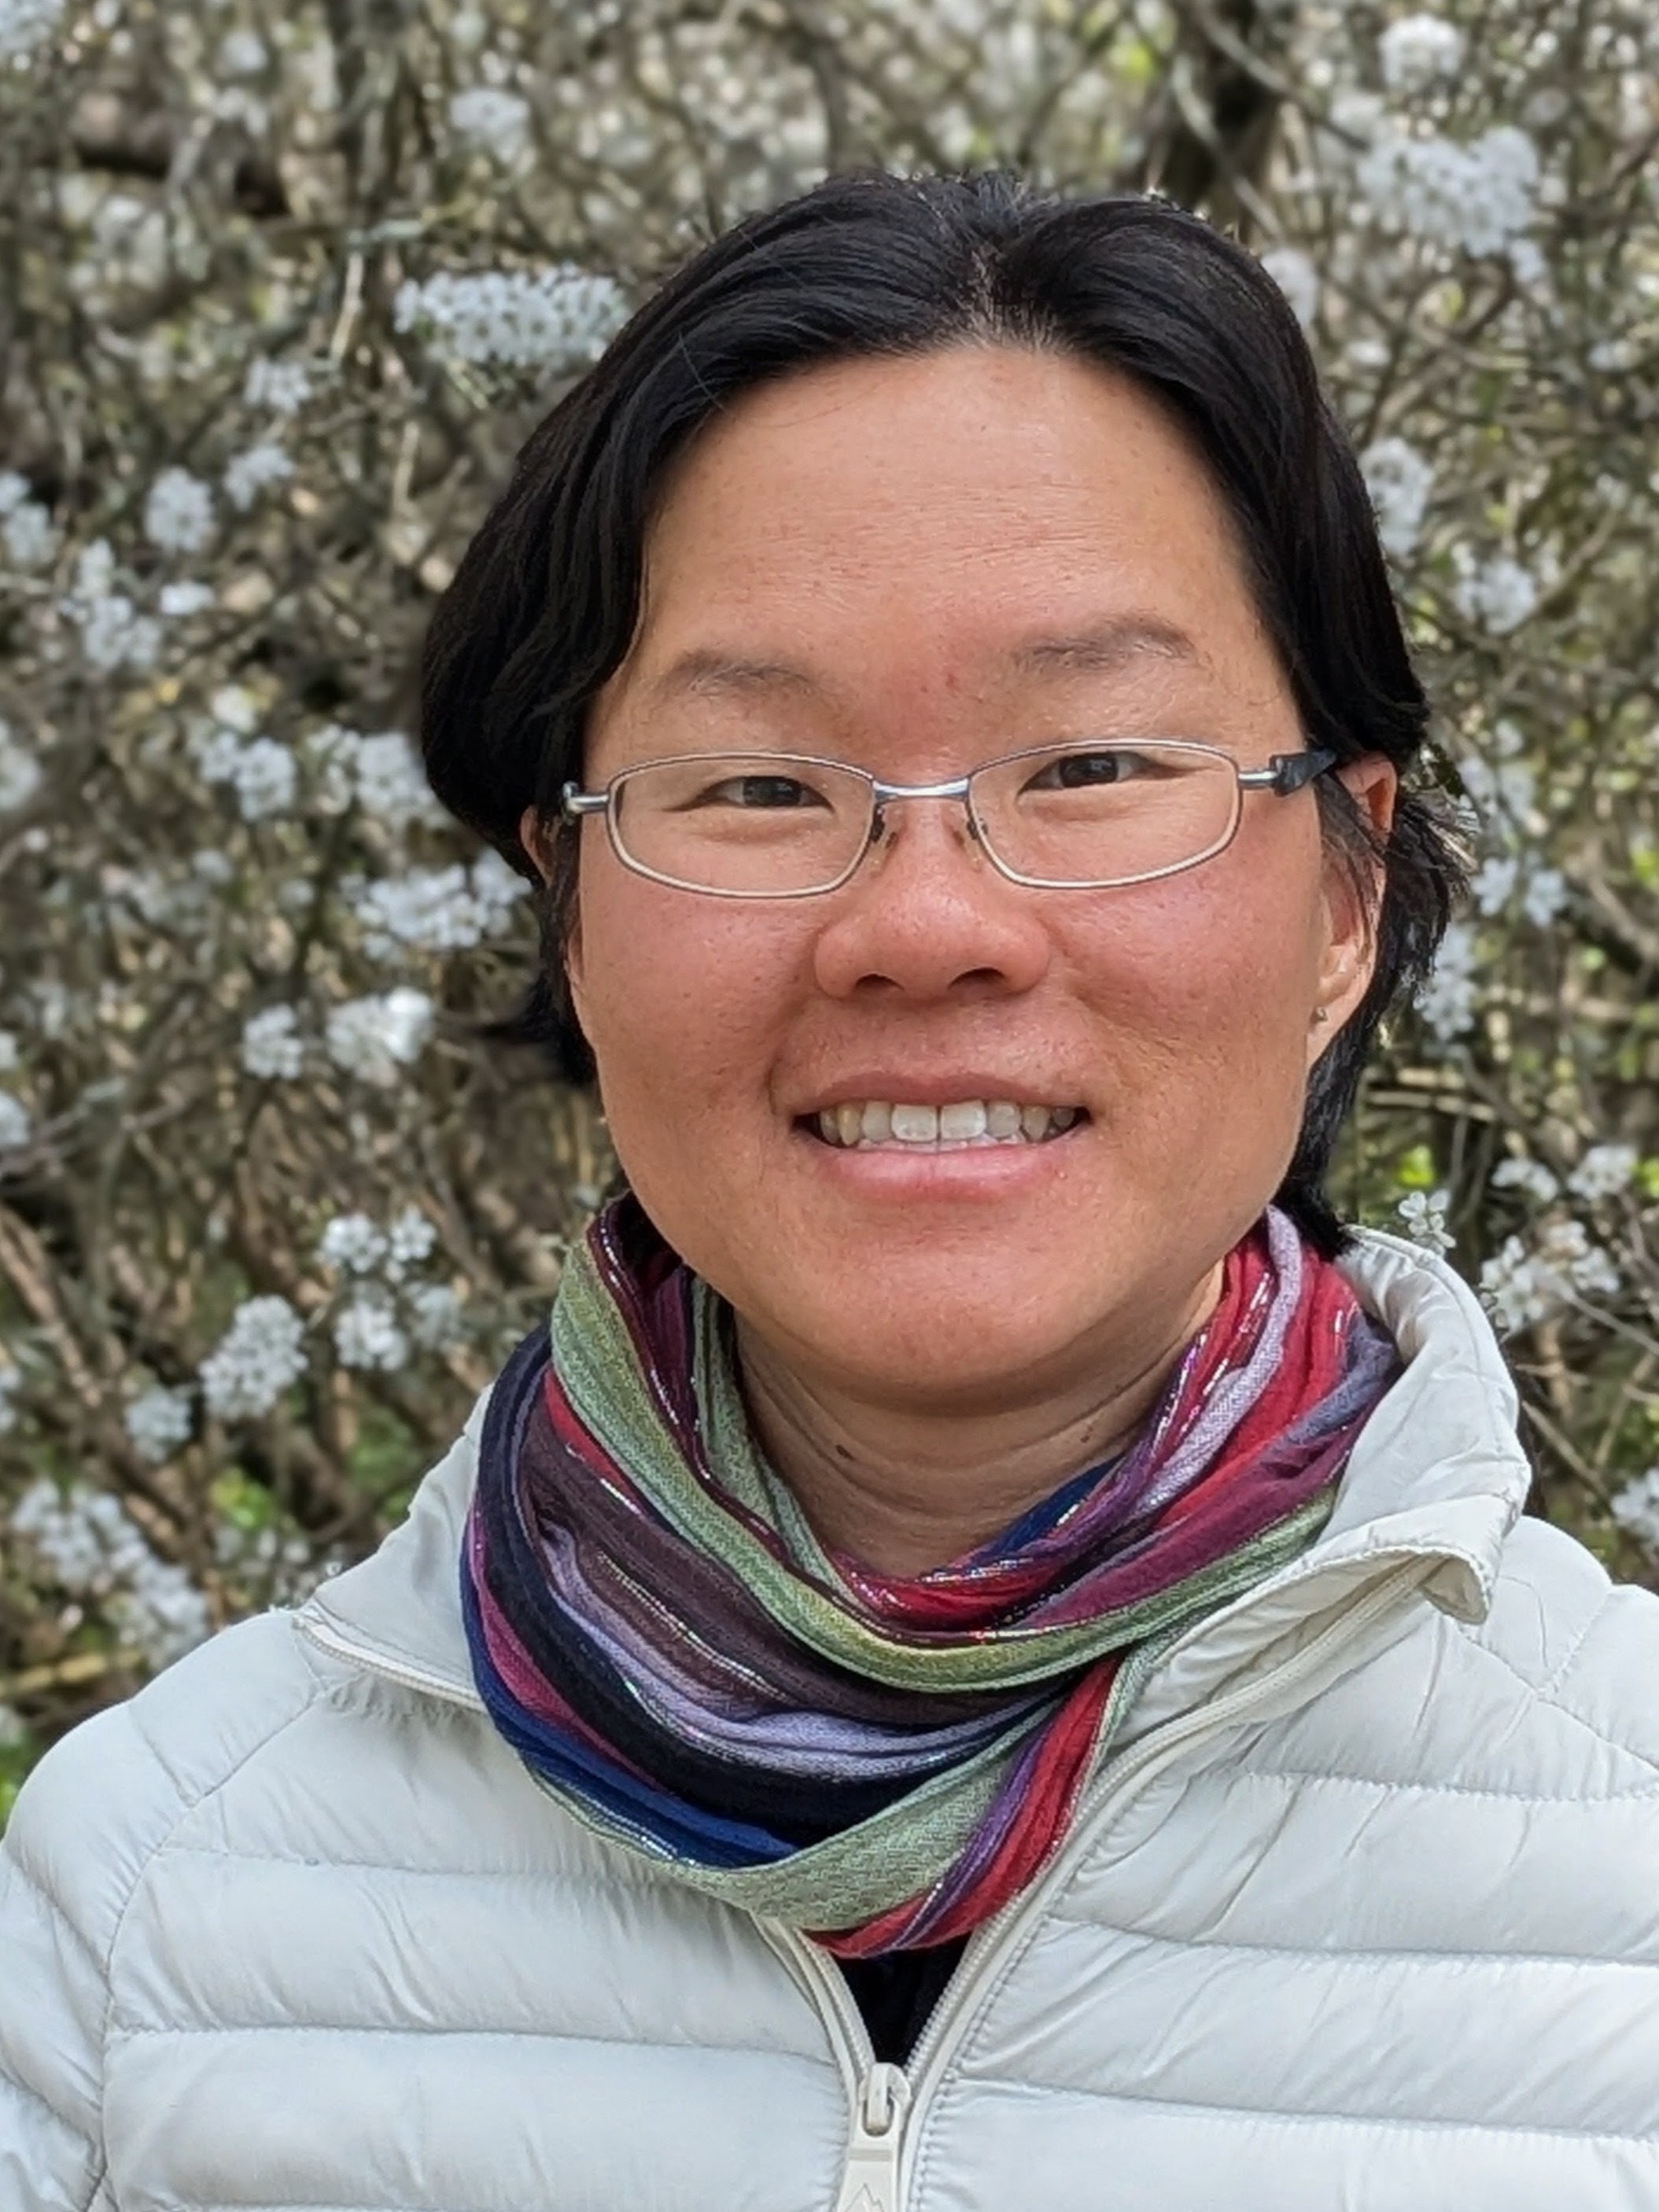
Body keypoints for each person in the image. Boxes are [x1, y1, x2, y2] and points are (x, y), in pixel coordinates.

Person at [4, 170, 1657, 2212]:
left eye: (1092, 766)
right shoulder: (151, 1908)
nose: (928, 922)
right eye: (763, 786)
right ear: (572, 910)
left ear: (1344, 892)